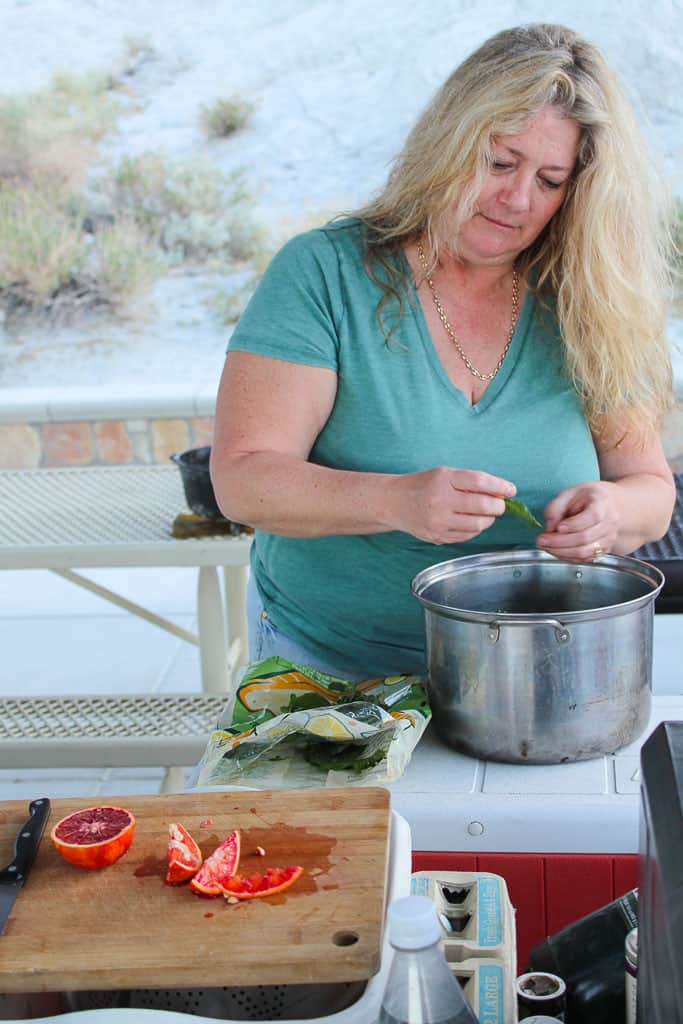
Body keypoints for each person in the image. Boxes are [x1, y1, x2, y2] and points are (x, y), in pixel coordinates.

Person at [210, 23, 677, 680]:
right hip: (332, 666)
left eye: (549, 180)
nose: (516, 201)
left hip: (537, 671)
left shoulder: (593, 297)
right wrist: (393, 500)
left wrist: (611, 514)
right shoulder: (324, 272)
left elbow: (649, 490)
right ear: (449, 143)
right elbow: (243, 481)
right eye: (499, 162)